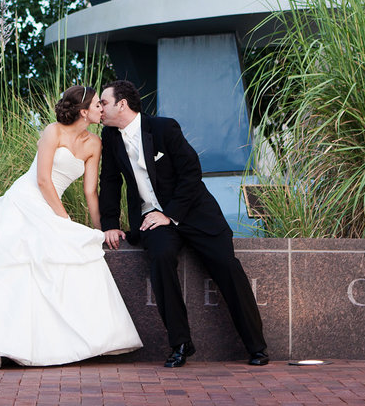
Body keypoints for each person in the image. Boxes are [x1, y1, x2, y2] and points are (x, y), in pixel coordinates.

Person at [0, 86, 142, 369]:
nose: (101, 109)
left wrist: (100, 230)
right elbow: (44, 180)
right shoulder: (53, 131)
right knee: (16, 259)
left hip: (52, 206)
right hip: (27, 199)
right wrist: (63, 221)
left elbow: (90, 192)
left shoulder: (95, 143)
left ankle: (60, 344)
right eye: (97, 104)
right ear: (84, 111)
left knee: (79, 250)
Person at [98, 80, 269, 367]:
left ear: (122, 104)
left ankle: (256, 346)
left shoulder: (164, 128)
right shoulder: (111, 136)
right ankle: (180, 343)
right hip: (153, 220)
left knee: (227, 267)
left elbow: (191, 172)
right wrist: (110, 223)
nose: (99, 108)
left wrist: (170, 213)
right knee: (161, 258)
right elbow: (111, 181)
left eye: (103, 102)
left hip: (194, 213)